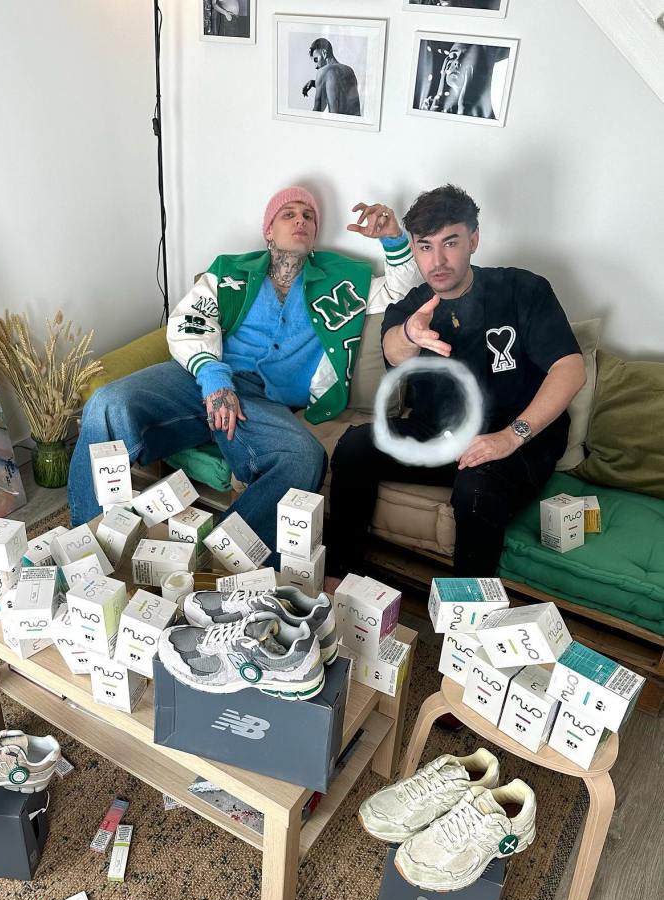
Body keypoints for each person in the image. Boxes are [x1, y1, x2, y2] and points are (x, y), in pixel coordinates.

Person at [68, 186, 419, 561]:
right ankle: (85, 553)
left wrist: (393, 238)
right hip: (199, 381)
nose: (300, 220)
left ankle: (215, 561)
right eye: (288, 214)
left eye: (309, 216)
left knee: (305, 458)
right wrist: (213, 378)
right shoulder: (229, 271)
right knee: (107, 404)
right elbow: (189, 321)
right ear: (269, 230)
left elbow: (403, 296)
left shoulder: (342, 281)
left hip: (261, 404)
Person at [325, 184, 586, 589]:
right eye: (425, 247)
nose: (438, 261)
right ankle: (336, 584)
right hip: (440, 433)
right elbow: (394, 350)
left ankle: (466, 616)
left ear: (473, 240)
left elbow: (570, 369)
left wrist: (510, 436)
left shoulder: (522, 289)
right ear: (414, 249)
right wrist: (410, 333)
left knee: (476, 487)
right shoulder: (412, 306)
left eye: (450, 243)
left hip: (519, 437)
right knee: (355, 445)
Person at [416, 40, 509, 119]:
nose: (456, 62)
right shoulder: (428, 105)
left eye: (466, 58)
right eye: (452, 56)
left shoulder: (489, 109)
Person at [302, 39, 361, 116]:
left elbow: (317, 111)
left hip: (336, 122)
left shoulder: (323, 71)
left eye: (316, 59)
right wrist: (314, 83)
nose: (316, 66)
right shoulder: (349, 70)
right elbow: (337, 87)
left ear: (324, 53)